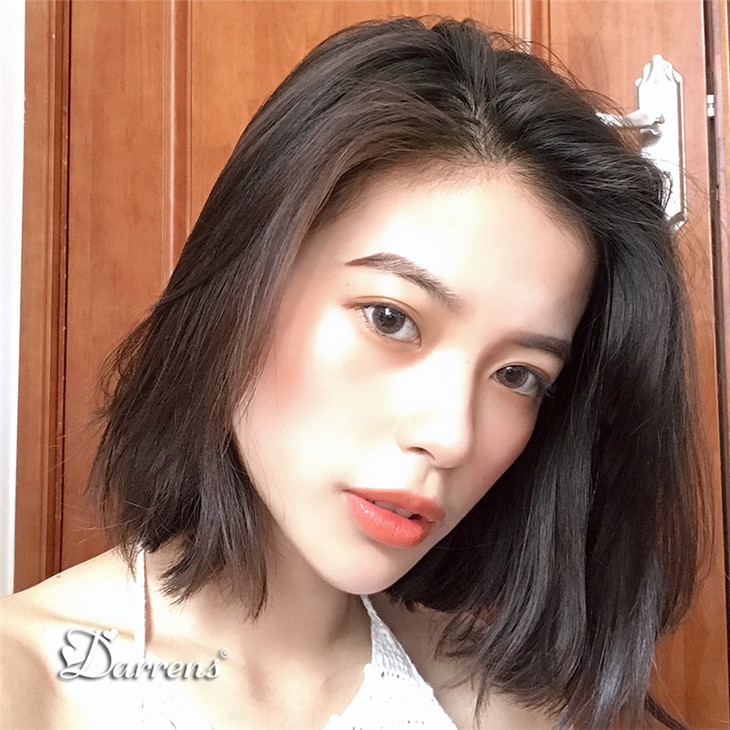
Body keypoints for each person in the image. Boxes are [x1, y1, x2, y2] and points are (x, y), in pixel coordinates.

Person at [1, 16, 703, 730]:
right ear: (242, 283)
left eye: (519, 375)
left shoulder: (504, 703)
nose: (450, 436)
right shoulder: (28, 685)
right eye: (391, 318)